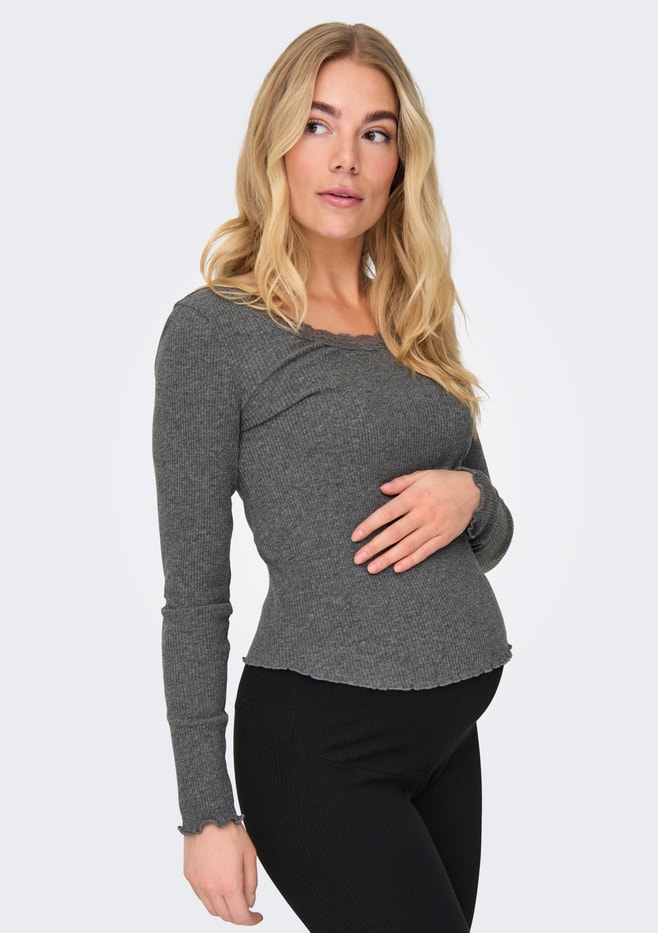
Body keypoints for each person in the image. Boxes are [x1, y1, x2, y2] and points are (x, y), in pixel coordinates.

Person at [152, 22, 513, 932]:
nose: (346, 157)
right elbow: (195, 591)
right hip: (322, 748)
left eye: (374, 132)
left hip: (447, 737)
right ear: (275, 142)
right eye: (318, 125)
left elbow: (492, 531)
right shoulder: (214, 333)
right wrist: (205, 809)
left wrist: (471, 498)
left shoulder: (414, 315)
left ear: (400, 162)